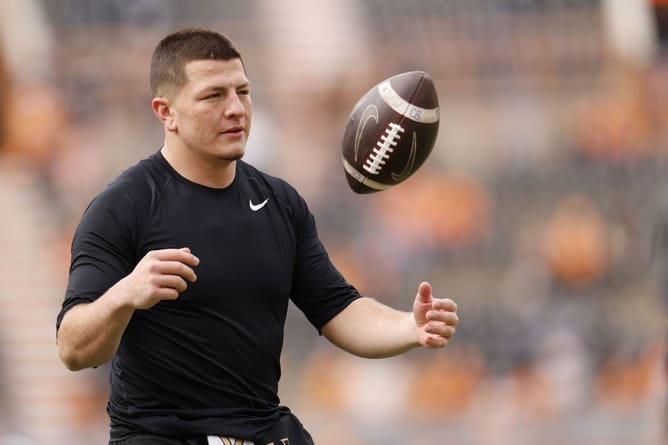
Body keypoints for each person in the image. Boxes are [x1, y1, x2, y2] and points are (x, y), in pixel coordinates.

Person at [55, 28, 459, 445]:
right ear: (166, 112)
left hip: (261, 430)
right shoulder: (123, 207)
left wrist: (409, 326)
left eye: (243, 92)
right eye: (213, 96)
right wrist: (124, 294)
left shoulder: (280, 203)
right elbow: (73, 347)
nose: (236, 109)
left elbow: (338, 310)